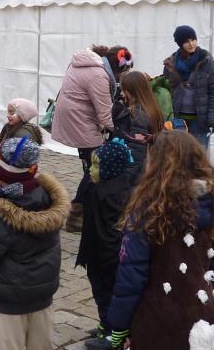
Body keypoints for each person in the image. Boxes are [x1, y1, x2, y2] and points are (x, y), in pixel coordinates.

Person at [93, 130, 214, 350]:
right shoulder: (208, 204)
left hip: (157, 316)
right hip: (200, 311)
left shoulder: (147, 211)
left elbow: (132, 275)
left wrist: (119, 325)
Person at [0, 137, 70, 350]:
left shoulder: (0, 214)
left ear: (0, 174)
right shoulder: (46, 198)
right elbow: (15, 239)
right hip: (43, 294)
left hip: (11, 300)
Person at [77, 140, 136, 341]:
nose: (91, 170)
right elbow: (82, 194)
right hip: (95, 253)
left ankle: (114, 332)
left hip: (108, 258)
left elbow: (114, 235)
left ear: (110, 168)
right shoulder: (98, 187)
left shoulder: (113, 195)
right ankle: (106, 322)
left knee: (108, 293)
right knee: (100, 292)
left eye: (97, 166)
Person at [51, 46, 116, 233]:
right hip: (82, 123)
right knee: (94, 169)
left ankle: (83, 210)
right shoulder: (99, 74)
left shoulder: (78, 63)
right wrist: (121, 130)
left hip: (74, 121)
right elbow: (105, 115)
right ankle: (77, 213)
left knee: (90, 168)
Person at [162, 25, 214, 148]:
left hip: (200, 121)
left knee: (198, 159)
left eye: (193, 39)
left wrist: (213, 119)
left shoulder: (207, 61)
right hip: (177, 120)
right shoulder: (171, 62)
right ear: (180, 44)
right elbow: (166, 91)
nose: (191, 44)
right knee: (178, 157)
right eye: (186, 41)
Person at [111, 70, 163, 166]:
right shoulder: (151, 108)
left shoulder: (138, 116)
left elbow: (136, 152)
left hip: (132, 171)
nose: (122, 94)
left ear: (132, 91)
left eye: (124, 90)